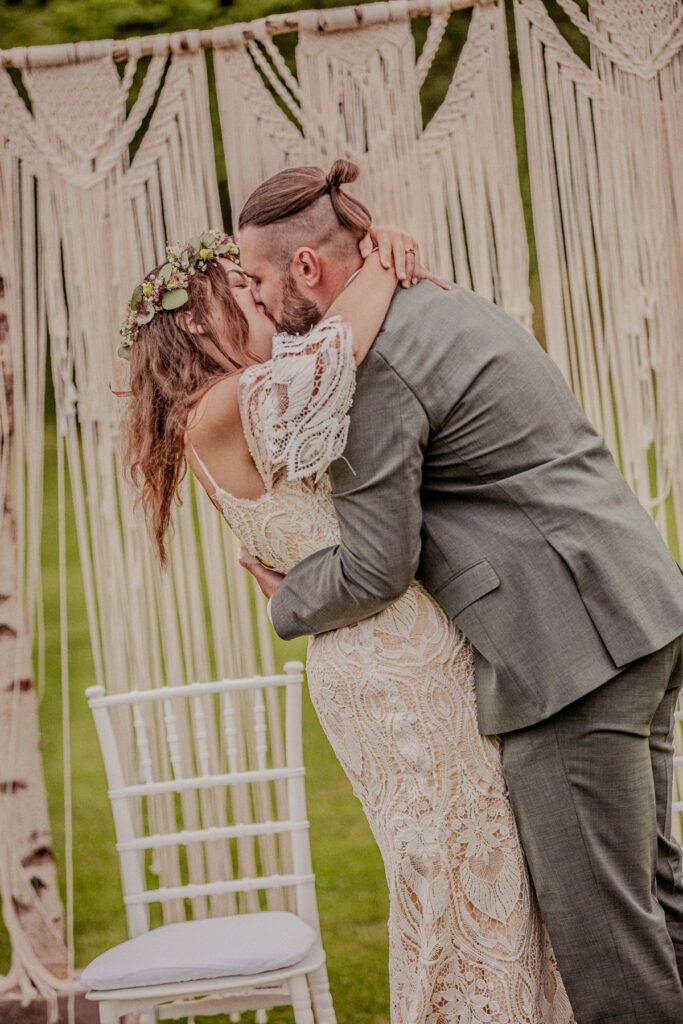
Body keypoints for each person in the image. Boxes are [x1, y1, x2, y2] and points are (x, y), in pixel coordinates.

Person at [236, 160, 683, 1024]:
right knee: (653, 893)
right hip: (638, 605)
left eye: (255, 278)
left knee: (605, 936)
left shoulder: (369, 372)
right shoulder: (441, 301)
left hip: (567, 650)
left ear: (305, 268)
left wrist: (288, 597)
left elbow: (374, 564)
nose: (251, 298)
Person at [118, 212, 575, 1023]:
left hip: (387, 650)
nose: (264, 304)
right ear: (194, 320)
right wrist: (378, 264)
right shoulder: (221, 407)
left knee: (473, 871)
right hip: (391, 671)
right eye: (244, 295)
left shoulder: (237, 401)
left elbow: (322, 345)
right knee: (457, 877)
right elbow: (335, 351)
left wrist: (372, 247)